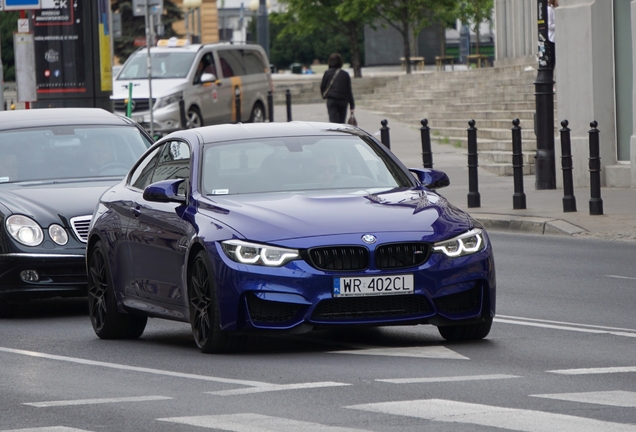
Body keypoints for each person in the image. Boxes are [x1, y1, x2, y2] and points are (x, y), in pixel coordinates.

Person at [320, 53, 355, 124]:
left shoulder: (327, 73)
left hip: (332, 100)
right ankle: (341, 134)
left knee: (333, 121)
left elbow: (322, 86)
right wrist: (352, 105)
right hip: (343, 100)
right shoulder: (345, 74)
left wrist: (324, 96)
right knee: (342, 122)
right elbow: (349, 90)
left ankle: (334, 134)